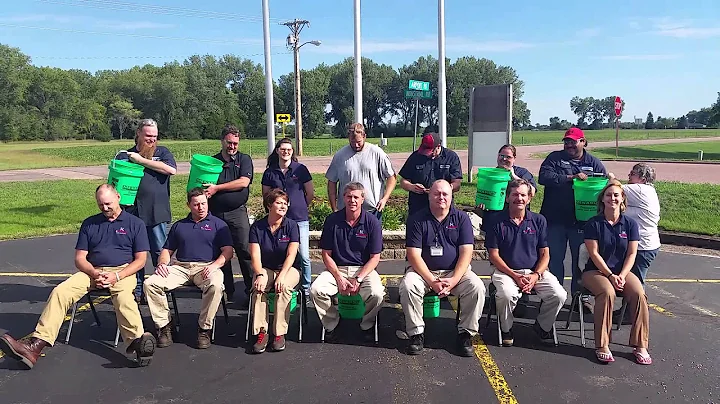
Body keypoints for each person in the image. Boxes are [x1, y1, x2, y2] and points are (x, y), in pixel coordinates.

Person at [0, 184, 156, 369]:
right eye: (100, 205)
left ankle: (138, 344)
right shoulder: (90, 223)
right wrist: (94, 272)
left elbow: (140, 261)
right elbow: (80, 258)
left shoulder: (134, 224)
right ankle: (36, 346)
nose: (104, 208)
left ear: (118, 197)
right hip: (93, 270)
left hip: (122, 271)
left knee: (124, 298)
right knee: (61, 291)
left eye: (108, 203)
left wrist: (117, 276)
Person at [399, 180, 486, 357]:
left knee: (477, 287)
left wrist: (454, 279)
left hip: (455, 272)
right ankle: (416, 334)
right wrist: (431, 280)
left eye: (445, 194)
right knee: (408, 286)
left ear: (451, 195)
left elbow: (466, 252)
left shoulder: (461, 218)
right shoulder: (417, 219)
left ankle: (465, 333)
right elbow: (413, 255)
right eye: (437, 193)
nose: (441, 197)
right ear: (429, 195)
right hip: (423, 272)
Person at [143, 188, 234, 350]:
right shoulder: (179, 226)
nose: (201, 207)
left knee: (216, 285)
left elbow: (228, 252)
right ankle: (165, 327)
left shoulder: (219, 225)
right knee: (151, 283)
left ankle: (204, 329)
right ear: (189, 205)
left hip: (207, 267)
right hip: (181, 267)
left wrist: (214, 266)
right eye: (196, 204)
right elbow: (166, 250)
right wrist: (162, 263)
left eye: (204, 203)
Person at [485, 179, 567, 347]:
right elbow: (493, 255)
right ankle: (506, 329)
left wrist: (536, 275)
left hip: (534, 272)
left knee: (559, 295)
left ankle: (542, 327)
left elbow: (545, 253)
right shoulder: (496, 221)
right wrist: (514, 275)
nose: (519, 198)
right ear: (507, 197)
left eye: (523, 195)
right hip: (505, 272)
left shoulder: (539, 220)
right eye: (515, 194)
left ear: (529, 198)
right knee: (507, 294)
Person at [582, 179, 651, 365]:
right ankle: (602, 344)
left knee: (639, 293)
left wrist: (621, 275)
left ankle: (640, 345)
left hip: (621, 272)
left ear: (622, 199)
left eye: (616, 195)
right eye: (608, 195)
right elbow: (594, 254)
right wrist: (610, 276)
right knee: (607, 292)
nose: (612, 198)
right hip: (595, 272)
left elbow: (632, 253)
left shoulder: (630, 224)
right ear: (602, 199)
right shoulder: (593, 223)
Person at [538, 127, 607, 312]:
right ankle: (554, 297)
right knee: (554, 261)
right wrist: (570, 177)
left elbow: (604, 185)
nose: (569, 145)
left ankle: (579, 298)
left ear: (583, 141)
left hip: (582, 223)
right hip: (554, 220)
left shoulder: (594, 163)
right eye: (566, 141)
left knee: (581, 262)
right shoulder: (555, 158)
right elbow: (543, 177)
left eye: (573, 141)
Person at [310, 182, 385, 343]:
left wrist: (358, 279)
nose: (352, 200)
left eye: (356, 197)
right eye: (349, 196)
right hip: (337, 268)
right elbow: (326, 254)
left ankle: (368, 325)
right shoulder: (332, 220)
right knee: (316, 290)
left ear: (363, 199)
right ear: (343, 198)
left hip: (364, 270)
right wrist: (338, 278)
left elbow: (375, 257)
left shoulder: (372, 222)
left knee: (377, 293)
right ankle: (332, 324)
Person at [117, 118, 177, 303]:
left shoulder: (162, 152)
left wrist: (141, 161)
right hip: (131, 212)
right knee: (134, 252)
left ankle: (162, 286)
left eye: (155, 136)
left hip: (156, 212)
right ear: (138, 134)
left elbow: (171, 170)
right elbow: (115, 178)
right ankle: (137, 289)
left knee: (159, 251)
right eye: (148, 136)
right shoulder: (124, 155)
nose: (152, 140)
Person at [204, 124, 254, 306]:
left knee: (245, 250)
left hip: (237, 212)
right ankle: (226, 290)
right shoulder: (212, 162)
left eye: (235, 143)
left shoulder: (244, 159)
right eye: (229, 143)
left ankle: (252, 289)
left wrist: (217, 188)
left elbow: (243, 182)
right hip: (215, 213)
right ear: (222, 141)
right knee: (221, 253)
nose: (232, 146)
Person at [248, 189, 301, 353]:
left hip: (289, 268)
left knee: (283, 287)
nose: (283, 206)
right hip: (266, 268)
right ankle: (261, 333)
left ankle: (279, 333)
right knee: (259, 287)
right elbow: (255, 256)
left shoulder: (292, 226)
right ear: (269, 205)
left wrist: (282, 275)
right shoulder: (257, 227)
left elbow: (292, 254)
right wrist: (260, 274)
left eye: (285, 203)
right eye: (279, 202)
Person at [261, 138, 314, 301]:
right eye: (283, 149)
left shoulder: (301, 169)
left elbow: (310, 193)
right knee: (282, 254)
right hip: (279, 221)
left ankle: (306, 288)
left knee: (303, 255)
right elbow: (266, 195)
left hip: (299, 219)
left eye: (289, 149)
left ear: (292, 151)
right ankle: (282, 282)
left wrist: (300, 206)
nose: (286, 152)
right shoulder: (270, 172)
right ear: (277, 150)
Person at [326, 123, 397, 220]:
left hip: (372, 211)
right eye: (352, 142)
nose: (356, 145)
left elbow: (392, 177)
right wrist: (334, 208)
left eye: (358, 142)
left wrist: (384, 199)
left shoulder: (377, 153)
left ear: (364, 136)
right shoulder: (340, 156)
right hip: (347, 211)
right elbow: (331, 182)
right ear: (348, 138)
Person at [611, 163, 660, 284]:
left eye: (632, 174)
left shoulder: (641, 189)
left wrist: (610, 176)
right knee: (631, 283)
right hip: (644, 244)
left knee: (635, 285)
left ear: (643, 179)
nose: (629, 176)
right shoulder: (648, 191)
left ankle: (637, 303)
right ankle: (632, 303)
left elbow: (615, 188)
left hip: (642, 246)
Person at [399, 132, 463, 216]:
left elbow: (457, 184)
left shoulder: (451, 157)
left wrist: (443, 189)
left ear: (438, 146)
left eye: (429, 151)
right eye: (424, 151)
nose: (426, 154)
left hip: (443, 207)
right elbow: (403, 181)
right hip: (418, 206)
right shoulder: (415, 157)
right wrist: (412, 187)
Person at [476, 144, 537, 232]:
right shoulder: (491, 174)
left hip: (516, 219)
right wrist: (481, 206)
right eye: (501, 155)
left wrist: (514, 176)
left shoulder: (522, 173)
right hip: (494, 220)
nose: (504, 159)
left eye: (508, 157)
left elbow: (532, 191)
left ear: (514, 158)